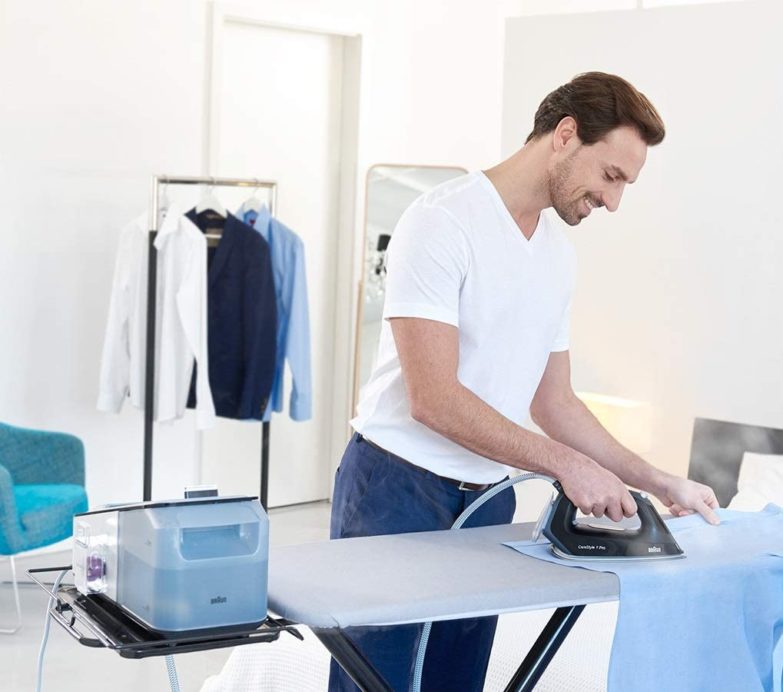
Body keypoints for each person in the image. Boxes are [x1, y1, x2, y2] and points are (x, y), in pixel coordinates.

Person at [329, 71, 720, 692]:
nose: (613, 202)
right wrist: (565, 466)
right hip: (396, 487)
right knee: (375, 683)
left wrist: (657, 478)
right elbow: (435, 399)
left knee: (457, 681)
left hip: (489, 497)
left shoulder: (556, 256)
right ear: (565, 136)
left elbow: (556, 403)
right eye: (611, 177)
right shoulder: (442, 223)